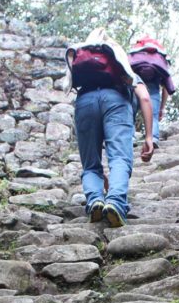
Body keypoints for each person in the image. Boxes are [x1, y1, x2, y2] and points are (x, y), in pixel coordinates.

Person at [66, 28, 154, 227]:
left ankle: (95, 200)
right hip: (116, 100)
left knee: (90, 164)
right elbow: (145, 97)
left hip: (85, 100)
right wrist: (149, 136)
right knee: (120, 158)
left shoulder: (82, 59)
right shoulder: (122, 67)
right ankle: (115, 201)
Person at [127, 36, 176, 148]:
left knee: (131, 112)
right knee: (153, 115)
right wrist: (162, 108)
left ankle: (130, 138)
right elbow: (166, 88)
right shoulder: (160, 60)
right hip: (153, 86)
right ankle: (153, 139)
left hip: (135, 84)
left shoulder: (135, 54)